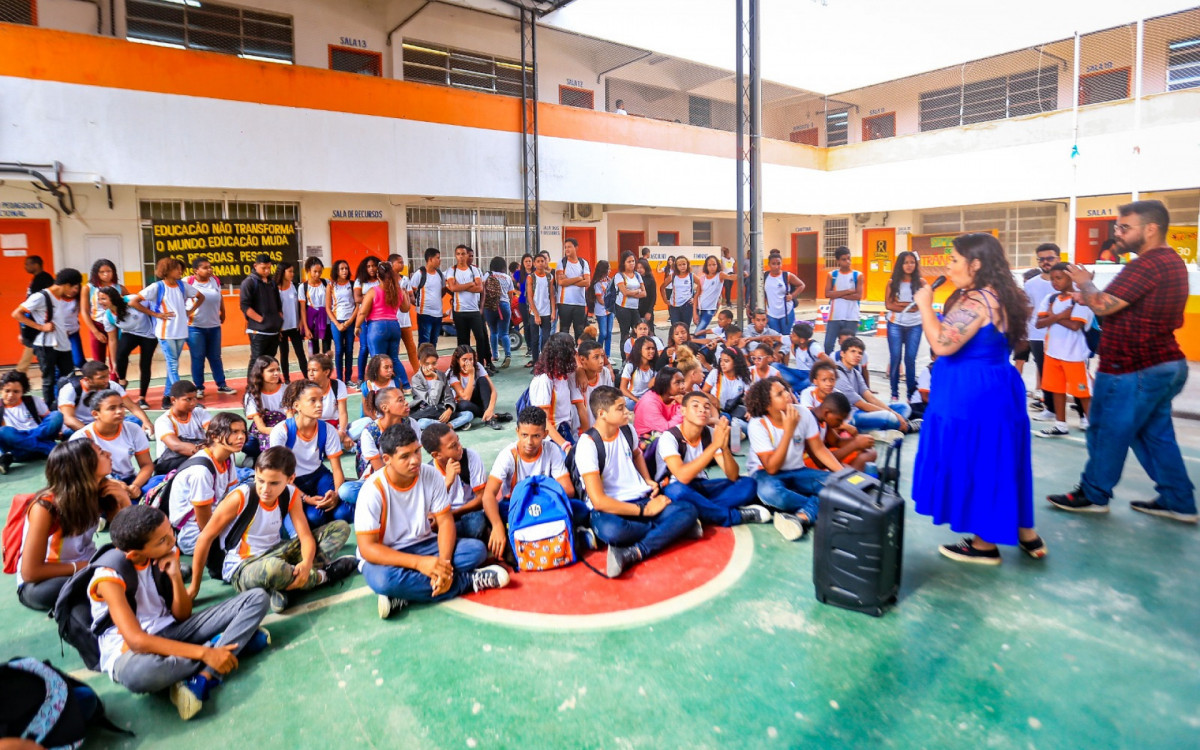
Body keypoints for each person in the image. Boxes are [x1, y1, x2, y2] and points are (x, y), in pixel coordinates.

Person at [1047, 200, 1195, 523]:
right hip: (1161, 363)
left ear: (1151, 229)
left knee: (1105, 431)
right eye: (1117, 227)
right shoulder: (1169, 263)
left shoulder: (1147, 264)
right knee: (1153, 434)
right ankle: (1177, 499)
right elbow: (1119, 305)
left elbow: (1101, 306)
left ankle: (1093, 494)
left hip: (1134, 367)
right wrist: (1085, 294)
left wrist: (1084, 282)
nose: (1118, 234)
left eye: (1125, 227)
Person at [910, 232, 1045, 564]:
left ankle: (985, 544)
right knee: (1002, 457)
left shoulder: (976, 302)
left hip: (971, 393)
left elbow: (942, 344)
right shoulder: (1003, 295)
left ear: (976, 264)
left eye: (954, 260)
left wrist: (926, 307)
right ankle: (1025, 531)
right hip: (996, 385)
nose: (948, 266)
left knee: (978, 460)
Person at [85, 504, 271, 721]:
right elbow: (137, 641)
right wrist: (206, 653)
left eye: (170, 532)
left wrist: (174, 576)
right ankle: (220, 648)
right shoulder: (108, 577)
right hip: (132, 653)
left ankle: (203, 675)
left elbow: (182, 616)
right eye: (162, 540)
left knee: (257, 598)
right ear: (135, 554)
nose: (172, 541)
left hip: (173, 631)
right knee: (141, 676)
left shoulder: (164, 553)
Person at [356, 422, 510, 620]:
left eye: (417, 452)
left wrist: (443, 563)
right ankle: (468, 581)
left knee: (475, 551)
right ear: (387, 459)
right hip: (388, 554)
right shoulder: (372, 490)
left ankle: (406, 594)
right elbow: (368, 548)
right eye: (405, 456)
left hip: (425, 544)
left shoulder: (430, 475)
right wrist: (421, 564)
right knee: (384, 581)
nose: (415, 461)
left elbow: (445, 522)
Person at [188, 446, 357, 615]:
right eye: (260, 480)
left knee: (340, 528)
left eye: (274, 483)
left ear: (290, 479)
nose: (265, 489)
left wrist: (305, 563)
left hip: (278, 551)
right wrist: (194, 588)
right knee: (275, 569)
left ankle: (282, 586)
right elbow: (205, 538)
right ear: (255, 473)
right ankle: (323, 576)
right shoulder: (240, 497)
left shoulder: (291, 494)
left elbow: (305, 537)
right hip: (244, 566)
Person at [576, 386, 699, 579]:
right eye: (620, 408)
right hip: (612, 508)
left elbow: (636, 454)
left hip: (640, 498)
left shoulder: (627, 430)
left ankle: (633, 552)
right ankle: (670, 530)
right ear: (602, 414)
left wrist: (648, 480)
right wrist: (646, 511)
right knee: (613, 531)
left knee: (687, 510)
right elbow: (599, 501)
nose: (627, 411)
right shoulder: (588, 444)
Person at [15, 440, 128, 611]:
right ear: (83, 465)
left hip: (90, 566)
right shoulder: (45, 507)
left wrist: (124, 501)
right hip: (42, 583)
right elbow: (30, 572)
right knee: (106, 579)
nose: (109, 454)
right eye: (101, 453)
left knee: (128, 558)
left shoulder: (103, 491)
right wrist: (87, 566)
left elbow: (128, 540)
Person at [478, 406, 590, 560]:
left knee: (582, 509)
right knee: (489, 516)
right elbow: (488, 495)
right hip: (516, 507)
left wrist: (540, 500)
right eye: (524, 435)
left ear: (545, 434)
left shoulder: (551, 450)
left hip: (545, 504)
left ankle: (526, 534)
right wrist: (497, 526)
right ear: (517, 431)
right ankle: (565, 534)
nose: (529, 441)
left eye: (536, 436)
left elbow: (568, 489)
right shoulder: (508, 455)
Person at [745, 377, 842, 541]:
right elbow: (771, 468)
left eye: (785, 389)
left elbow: (819, 449)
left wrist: (842, 474)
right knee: (771, 493)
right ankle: (818, 506)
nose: (787, 394)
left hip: (798, 471)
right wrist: (788, 430)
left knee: (837, 484)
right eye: (779, 394)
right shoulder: (757, 424)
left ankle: (803, 516)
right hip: (765, 475)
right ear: (768, 405)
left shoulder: (803, 413)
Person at [656, 392, 768, 528]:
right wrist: (715, 445)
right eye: (695, 406)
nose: (702, 410)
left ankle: (701, 512)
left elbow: (732, 476)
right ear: (683, 411)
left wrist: (725, 447)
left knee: (748, 484)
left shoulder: (711, 433)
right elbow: (682, 477)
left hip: (702, 485)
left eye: (707, 407)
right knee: (678, 492)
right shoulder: (669, 437)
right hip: (675, 487)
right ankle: (734, 516)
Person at [268, 380, 349, 530]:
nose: (319, 405)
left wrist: (336, 493)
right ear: (296, 405)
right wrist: (306, 498)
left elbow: (337, 468)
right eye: (312, 400)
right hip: (291, 480)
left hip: (319, 476)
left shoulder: (328, 430)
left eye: (321, 400)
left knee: (343, 513)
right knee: (315, 516)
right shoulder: (281, 431)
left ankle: (324, 515)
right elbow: (279, 475)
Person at [165, 412, 246, 555]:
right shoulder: (201, 471)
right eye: (234, 432)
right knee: (248, 539)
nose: (241, 437)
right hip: (193, 534)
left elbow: (228, 496)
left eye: (243, 432)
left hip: (214, 518)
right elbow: (205, 525)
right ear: (214, 436)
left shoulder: (229, 457)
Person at [131, 258, 203, 408]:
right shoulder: (157, 287)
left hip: (181, 330)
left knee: (173, 365)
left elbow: (201, 297)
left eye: (180, 269)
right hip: (166, 332)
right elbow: (133, 301)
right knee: (172, 365)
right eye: (176, 268)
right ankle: (183, 397)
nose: (180, 271)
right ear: (167, 270)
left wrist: (189, 311)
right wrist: (155, 314)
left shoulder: (183, 286)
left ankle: (166, 398)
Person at [1033, 263, 1094, 438]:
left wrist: (1051, 317)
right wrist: (1060, 315)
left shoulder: (1080, 299)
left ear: (1070, 278)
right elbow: (1039, 323)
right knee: (1056, 389)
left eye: (1059, 278)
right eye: (1052, 278)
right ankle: (1060, 424)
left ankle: (1092, 424)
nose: (1054, 282)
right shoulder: (1050, 299)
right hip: (1052, 352)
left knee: (1082, 391)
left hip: (1074, 354)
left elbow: (1075, 325)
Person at [12, 267, 82, 408]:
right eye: (74, 287)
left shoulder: (61, 298)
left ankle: (66, 406)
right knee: (49, 380)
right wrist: (40, 327)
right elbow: (17, 314)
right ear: (66, 284)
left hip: (63, 344)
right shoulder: (40, 297)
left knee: (68, 378)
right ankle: (49, 409)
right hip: (45, 344)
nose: (74, 291)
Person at [340, 385, 421, 504]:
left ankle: (387, 503)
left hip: (408, 474)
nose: (406, 403)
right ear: (385, 407)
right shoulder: (371, 432)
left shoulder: (412, 424)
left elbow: (417, 456)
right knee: (346, 491)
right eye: (400, 400)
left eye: (404, 399)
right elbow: (379, 470)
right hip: (379, 480)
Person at [69, 389, 154, 501]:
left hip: (130, 480)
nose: (119, 411)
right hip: (99, 483)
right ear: (96, 414)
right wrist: (113, 484)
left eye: (121, 406)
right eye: (112, 408)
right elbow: (81, 476)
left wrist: (135, 486)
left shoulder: (133, 429)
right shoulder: (82, 438)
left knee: (159, 482)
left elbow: (147, 465)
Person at [1017, 243, 1061, 421]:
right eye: (1041, 259)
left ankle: (1083, 414)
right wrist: (1023, 334)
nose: (1045, 262)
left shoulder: (1069, 281)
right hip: (1037, 335)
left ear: (1058, 258)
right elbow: (1028, 310)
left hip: (1064, 336)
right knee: (1045, 373)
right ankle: (1050, 408)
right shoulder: (1032, 284)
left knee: (1069, 374)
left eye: (1049, 258)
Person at [421, 422, 488, 539]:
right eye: (453, 446)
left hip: (469, 513)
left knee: (476, 524)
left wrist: (452, 514)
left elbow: (482, 498)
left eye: (458, 440)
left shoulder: (470, 457)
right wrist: (447, 482)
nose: (460, 447)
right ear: (436, 455)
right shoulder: (428, 473)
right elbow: (429, 512)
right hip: (444, 518)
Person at [834, 337, 913, 433]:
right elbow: (862, 404)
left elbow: (871, 398)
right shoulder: (837, 374)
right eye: (853, 351)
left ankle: (893, 426)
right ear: (842, 353)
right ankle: (907, 427)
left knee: (904, 407)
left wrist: (895, 413)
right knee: (888, 417)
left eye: (860, 353)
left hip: (860, 411)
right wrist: (893, 414)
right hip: (850, 417)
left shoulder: (855, 372)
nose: (857, 355)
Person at [97, 286, 158, 408]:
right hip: (130, 333)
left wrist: (157, 317)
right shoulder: (108, 317)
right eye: (99, 299)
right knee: (121, 354)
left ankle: (142, 398)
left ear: (113, 298)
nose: (100, 302)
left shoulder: (131, 300)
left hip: (149, 334)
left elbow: (152, 303)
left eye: (103, 299)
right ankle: (123, 381)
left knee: (145, 364)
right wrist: (113, 361)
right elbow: (113, 339)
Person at [357, 261, 407, 406]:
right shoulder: (397, 290)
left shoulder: (374, 291)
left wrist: (356, 326)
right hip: (394, 326)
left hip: (376, 327)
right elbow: (405, 308)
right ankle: (404, 385)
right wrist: (401, 290)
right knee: (394, 359)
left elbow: (363, 311)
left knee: (377, 360)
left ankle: (376, 389)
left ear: (378, 275)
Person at [184, 257, 234, 398]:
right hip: (195, 327)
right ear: (196, 270)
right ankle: (198, 387)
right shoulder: (188, 282)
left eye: (210, 267)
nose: (209, 269)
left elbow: (220, 297)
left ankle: (221, 384)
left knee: (215, 357)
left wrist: (223, 312)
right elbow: (179, 299)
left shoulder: (214, 280)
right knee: (198, 357)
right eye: (205, 267)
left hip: (214, 325)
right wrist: (185, 313)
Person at [58, 359, 152, 434]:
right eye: (101, 378)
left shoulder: (112, 385)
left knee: (135, 420)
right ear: (87, 379)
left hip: (103, 423)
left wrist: (146, 421)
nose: (106, 380)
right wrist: (92, 434)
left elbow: (132, 406)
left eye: (107, 376)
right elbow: (68, 419)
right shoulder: (70, 390)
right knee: (69, 433)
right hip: (79, 427)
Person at [530, 332, 587, 449]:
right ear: (563, 355)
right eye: (571, 351)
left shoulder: (564, 375)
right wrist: (564, 445)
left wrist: (588, 437)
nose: (574, 354)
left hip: (566, 429)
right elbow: (543, 420)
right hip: (552, 435)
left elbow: (577, 356)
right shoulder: (545, 380)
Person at [884, 251, 925, 403]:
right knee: (895, 359)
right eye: (906, 262)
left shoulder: (921, 283)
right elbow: (888, 305)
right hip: (895, 324)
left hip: (915, 325)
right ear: (900, 264)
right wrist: (909, 305)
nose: (909, 265)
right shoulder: (892, 282)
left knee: (910, 360)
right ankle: (894, 393)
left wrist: (898, 304)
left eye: (912, 262)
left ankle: (910, 394)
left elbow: (921, 304)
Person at [446, 244, 494, 372]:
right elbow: (453, 287)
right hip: (459, 311)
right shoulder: (452, 270)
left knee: (481, 337)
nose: (461, 256)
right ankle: (464, 366)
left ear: (467, 255)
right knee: (463, 340)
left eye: (463, 254)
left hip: (474, 311)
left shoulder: (474, 270)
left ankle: (480, 365)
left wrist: (461, 286)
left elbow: (479, 288)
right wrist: (470, 284)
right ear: (455, 255)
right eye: (458, 254)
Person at [0, 370, 62, 467]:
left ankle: (45, 447)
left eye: (16, 391)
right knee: (3, 431)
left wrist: (62, 432)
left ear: (23, 391)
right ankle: (48, 448)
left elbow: (49, 420)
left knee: (57, 415)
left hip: (39, 434)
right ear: (1, 390)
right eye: (7, 391)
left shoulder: (33, 401)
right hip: (18, 450)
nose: (11, 395)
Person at [239, 254, 283, 380]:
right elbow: (245, 306)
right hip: (258, 331)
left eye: (269, 268)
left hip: (273, 331)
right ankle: (251, 388)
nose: (267, 271)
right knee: (257, 360)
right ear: (255, 266)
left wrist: (278, 323)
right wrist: (261, 320)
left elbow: (278, 306)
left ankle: (266, 383)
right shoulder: (249, 283)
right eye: (264, 268)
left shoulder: (272, 283)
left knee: (269, 360)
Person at [153, 381, 212, 475]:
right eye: (188, 399)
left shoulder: (200, 413)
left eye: (195, 398)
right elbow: (176, 446)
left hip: (197, 456)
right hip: (170, 464)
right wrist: (211, 452)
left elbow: (214, 434)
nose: (193, 403)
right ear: (173, 400)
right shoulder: (163, 421)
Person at [809, 391, 876, 472]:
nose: (840, 424)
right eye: (839, 420)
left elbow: (837, 441)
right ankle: (851, 477)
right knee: (845, 468)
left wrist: (860, 440)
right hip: (810, 462)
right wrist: (855, 444)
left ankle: (854, 474)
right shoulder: (809, 421)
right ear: (827, 413)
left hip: (823, 456)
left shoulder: (824, 420)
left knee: (870, 452)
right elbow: (820, 462)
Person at [702, 346, 752, 454]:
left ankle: (737, 437)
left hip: (735, 412)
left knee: (746, 421)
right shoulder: (715, 374)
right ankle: (734, 441)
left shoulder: (743, 376)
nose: (722, 364)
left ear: (736, 362)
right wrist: (712, 398)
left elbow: (749, 397)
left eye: (727, 361)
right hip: (718, 412)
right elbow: (703, 392)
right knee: (727, 422)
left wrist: (749, 410)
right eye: (721, 361)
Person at [411, 343, 472, 431]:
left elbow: (449, 396)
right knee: (422, 423)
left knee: (468, 414)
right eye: (427, 364)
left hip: (441, 410)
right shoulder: (416, 379)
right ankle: (452, 425)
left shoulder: (441, 375)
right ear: (420, 362)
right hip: (426, 411)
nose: (431, 367)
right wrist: (435, 380)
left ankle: (447, 426)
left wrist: (449, 409)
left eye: (434, 363)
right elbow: (432, 402)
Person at [15, 254, 56, 374]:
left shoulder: (43, 280)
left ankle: (19, 374)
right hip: (34, 323)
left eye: (27, 264)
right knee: (32, 347)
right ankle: (19, 373)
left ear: (36, 265)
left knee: (34, 348)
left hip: (39, 322)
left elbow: (36, 305)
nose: (25, 267)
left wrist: (25, 329)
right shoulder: (37, 279)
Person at [447, 345, 504, 430]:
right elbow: (466, 397)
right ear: (458, 360)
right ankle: (494, 417)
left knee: (482, 380)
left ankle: (489, 417)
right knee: (463, 405)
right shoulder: (452, 373)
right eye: (464, 359)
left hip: (477, 401)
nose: (468, 363)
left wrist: (490, 409)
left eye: (471, 359)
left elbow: (493, 391)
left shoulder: (478, 366)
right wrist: (471, 375)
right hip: (462, 404)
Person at [243, 355, 285, 464]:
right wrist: (277, 434)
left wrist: (284, 432)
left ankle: (262, 457)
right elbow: (261, 428)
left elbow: (290, 419)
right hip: (263, 431)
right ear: (260, 373)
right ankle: (260, 456)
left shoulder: (286, 389)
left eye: (277, 369)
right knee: (246, 443)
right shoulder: (251, 394)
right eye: (271, 370)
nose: (276, 373)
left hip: (284, 427)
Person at [84, 258, 123, 368]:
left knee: (115, 361)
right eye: (102, 272)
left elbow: (129, 303)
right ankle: (101, 385)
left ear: (113, 272)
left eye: (109, 271)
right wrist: (95, 332)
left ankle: (115, 384)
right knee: (98, 362)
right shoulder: (89, 288)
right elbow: (84, 311)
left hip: (115, 326)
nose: (106, 274)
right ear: (96, 273)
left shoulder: (119, 288)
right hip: (97, 325)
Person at [823, 247, 863, 354]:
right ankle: (831, 367)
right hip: (835, 316)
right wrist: (848, 291)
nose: (847, 262)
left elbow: (858, 295)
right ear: (838, 261)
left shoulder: (857, 275)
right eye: (844, 259)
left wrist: (837, 295)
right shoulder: (832, 275)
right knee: (828, 345)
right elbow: (827, 294)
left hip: (851, 316)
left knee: (849, 347)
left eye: (849, 258)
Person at [387, 254, 418, 389]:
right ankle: (395, 378)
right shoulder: (386, 281)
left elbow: (411, 298)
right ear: (391, 264)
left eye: (403, 262)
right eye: (399, 262)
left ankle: (419, 374)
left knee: (411, 348)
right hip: (393, 322)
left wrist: (408, 296)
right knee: (394, 352)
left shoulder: (405, 280)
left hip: (405, 321)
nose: (402, 265)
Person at [274, 261, 308, 382]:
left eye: (293, 271)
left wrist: (300, 322)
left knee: (300, 353)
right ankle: (287, 379)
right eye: (290, 271)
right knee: (284, 354)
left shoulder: (296, 286)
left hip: (295, 326)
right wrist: (277, 328)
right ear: (283, 273)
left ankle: (307, 377)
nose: (292, 274)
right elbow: (274, 309)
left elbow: (300, 306)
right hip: (282, 328)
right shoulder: (275, 288)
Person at [352, 255, 382, 383]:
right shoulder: (360, 281)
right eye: (369, 266)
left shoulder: (381, 280)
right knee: (364, 347)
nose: (372, 269)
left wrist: (368, 297)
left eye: (374, 266)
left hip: (377, 319)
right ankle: (360, 377)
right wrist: (373, 297)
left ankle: (376, 375)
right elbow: (357, 298)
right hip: (364, 319)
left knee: (376, 349)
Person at [327, 259, 357, 383]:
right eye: (341, 269)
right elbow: (328, 308)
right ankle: (339, 378)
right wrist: (337, 324)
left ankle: (348, 378)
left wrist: (349, 322)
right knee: (339, 350)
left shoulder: (353, 284)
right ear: (336, 271)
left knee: (349, 350)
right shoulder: (331, 286)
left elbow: (357, 305)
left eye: (346, 268)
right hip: (336, 321)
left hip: (350, 321)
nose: (344, 271)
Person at [633, 367, 684, 440]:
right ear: (665, 384)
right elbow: (667, 429)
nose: (683, 386)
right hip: (645, 441)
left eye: (683, 382)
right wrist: (683, 407)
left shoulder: (675, 397)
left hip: (663, 435)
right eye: (678, 382)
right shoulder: (649, 403)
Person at [556, 238, 591, 340]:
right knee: (564, 330)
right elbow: (561, 282)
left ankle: (579, 352)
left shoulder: (583, 263)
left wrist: (569, 280)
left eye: (569, 247)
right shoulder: (561, 263)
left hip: (579, 303)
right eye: (565, 247)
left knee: (579, 330)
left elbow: (587, 282)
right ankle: (564, 353)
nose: (566, 249)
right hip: (564, 303)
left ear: (576, 248)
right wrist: (579, 278)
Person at [484, 256, 515, 369]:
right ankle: (508, 355)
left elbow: (482, 290)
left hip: (490, 306)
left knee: (493, 332)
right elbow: (510, 294)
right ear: (503, 266)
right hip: (504, 305)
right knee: (504, 333)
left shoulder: (487, 275)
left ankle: (495, 355)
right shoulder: (507, 277)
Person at [412, 247, 448, 347]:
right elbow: (411, 292)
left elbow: (443, 291)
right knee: (424, 341)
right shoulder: (419, 274)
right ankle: (422, 362)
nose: (440, 260)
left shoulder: (440, 274)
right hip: (425, 314)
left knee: (434, 341)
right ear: (430, 259)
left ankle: (431, 362)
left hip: (438, 314)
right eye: (438, 258)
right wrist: (417, 305)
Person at [525, 251, 555, 368]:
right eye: (538, 261)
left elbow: (552, 295)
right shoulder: (531, 277)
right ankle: (536, 363)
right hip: (534, 313)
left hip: (547, 312)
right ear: (534, 263)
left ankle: (544, 362)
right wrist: (536, 314)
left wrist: (553, 311)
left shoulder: (550, 277)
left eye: (542, 261)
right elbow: (530, 297)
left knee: (546, 339)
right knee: (535, 339)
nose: (541, 263)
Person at [762, 254, 804, 334]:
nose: (776, 266)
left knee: (786, 337)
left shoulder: (787, 275)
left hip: (786, 312)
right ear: (769, 264)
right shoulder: (765, 276)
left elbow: (801, 285)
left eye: (779, 263)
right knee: (775, 337)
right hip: (771, 313)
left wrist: (792, 296)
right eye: (773, 264)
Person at [299, 256, 332, 356]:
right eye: (315, 271)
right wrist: (306, 328)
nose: (317, 274)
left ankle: (326, 370)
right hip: (311, 321)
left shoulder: (327, 283)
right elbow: (303, 309)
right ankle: (316, 370)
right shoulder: (303, 287)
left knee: (327, 349)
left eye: (320, 271)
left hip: (326, 320)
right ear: (309, 270)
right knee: (314, 351)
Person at [614, 252, 645, 353]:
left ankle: (638, 354)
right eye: (629, 262)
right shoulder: (619, 276)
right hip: (623, 308)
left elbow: (644, 293)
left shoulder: (637, 275)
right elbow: (625, 292)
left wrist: (634, 293)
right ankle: (625, 358)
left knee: (638, 331)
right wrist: (637, 291)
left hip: (634, 308)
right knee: (625, 334)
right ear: (623, 263)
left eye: (633, 261)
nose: (632, 263)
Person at [575, 339, 614, 421]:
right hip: (582, 430)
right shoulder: (574, 378)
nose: (601, 361)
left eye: (602, 356)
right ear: (582, 360)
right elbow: (581, 410)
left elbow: (610, 401)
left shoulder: (605, 372)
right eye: (596, 357)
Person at [620, 335, 659, 410]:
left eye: (653, 348)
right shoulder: (630, 366)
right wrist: (638, 401)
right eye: (648, 348)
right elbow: (623, 389)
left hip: (647, 399)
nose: (652, 351)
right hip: (631, 399)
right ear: (639, 350)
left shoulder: (655, 367)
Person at [694, 255, 729, 333]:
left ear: (717, 265)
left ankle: (696, 343)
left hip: (710, 309)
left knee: (698, 331)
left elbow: (731, 277)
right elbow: (697, 295)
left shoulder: (720, 275)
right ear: (706, 266)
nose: (712, 267)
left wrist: (741, 274)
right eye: (709, 265)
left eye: (714, 264)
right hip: (700, 308)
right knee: (701, 330)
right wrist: (695, 313)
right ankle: (702, 345)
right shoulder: (703, 278)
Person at [663, 255, 699, 330]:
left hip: (687, 305)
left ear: (687, 264)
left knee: (685, 329)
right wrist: (665, 300)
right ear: (676, 266)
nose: (682, 266)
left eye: (684, 264)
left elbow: (703, 285)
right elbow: (662, 287)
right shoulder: (673, 276)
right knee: (675, 328)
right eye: (679, 265)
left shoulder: (691, 276)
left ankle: (685, 342)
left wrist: (696, 298)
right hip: (674, 307)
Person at [587, 259, 613, 357]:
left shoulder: (610, 281)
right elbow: (600, 299)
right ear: (603, 270)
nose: (610, 270)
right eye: (608, 269)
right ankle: (597, 351)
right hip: (601, 311)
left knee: (609, 333)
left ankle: (607, 355)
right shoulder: (597, 284)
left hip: (610, 310)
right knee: (603, 333)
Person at [514, 253, 535, 359]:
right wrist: (518, 292)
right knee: (526, 325)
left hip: (535, 303)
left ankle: (537, 347)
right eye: (526, 261)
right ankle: (530, 348)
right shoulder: (518, 274)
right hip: (523, 302)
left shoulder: (536, 273)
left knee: (534, 324)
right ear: (522, 263)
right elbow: (512, 286)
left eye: (530, 261)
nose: (528, 263)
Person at [635, 257, 658, 331]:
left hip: (647, 309)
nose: (639, 269)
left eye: (641, 267)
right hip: (636, 310)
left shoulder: (651, 280)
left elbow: (653, 297)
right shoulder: (634, 279)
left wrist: (649, 311)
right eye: (638, 268)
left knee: (649, 331)